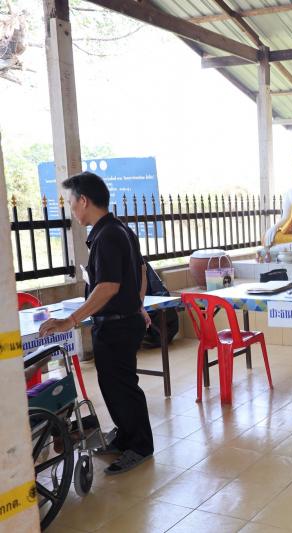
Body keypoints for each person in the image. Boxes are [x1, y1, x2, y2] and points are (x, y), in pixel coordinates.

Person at [39, 172, 155, 475]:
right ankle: (126, 437)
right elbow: (141, 271)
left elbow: (108, 286)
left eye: (70, 202)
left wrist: (71, 320)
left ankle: (140, 446)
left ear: (84, 201)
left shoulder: (108, 236)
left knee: (122, 387)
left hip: (117, 325)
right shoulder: (118, 229)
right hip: (120, 321)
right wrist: (138, 304)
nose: (70, 209)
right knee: (113, 385)